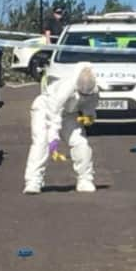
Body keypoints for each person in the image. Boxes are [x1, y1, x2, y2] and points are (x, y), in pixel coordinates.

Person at [23, 62, 99, 194]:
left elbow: (90, 109)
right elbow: (54, 116)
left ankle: (85, 179)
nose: (84, 96)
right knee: (42, 143)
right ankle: (33, 181)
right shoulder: (66, 88)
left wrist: (89, 118)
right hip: (45, 110)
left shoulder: (94, 91)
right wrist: (53, 143)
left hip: (69, 114)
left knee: (81, 143)